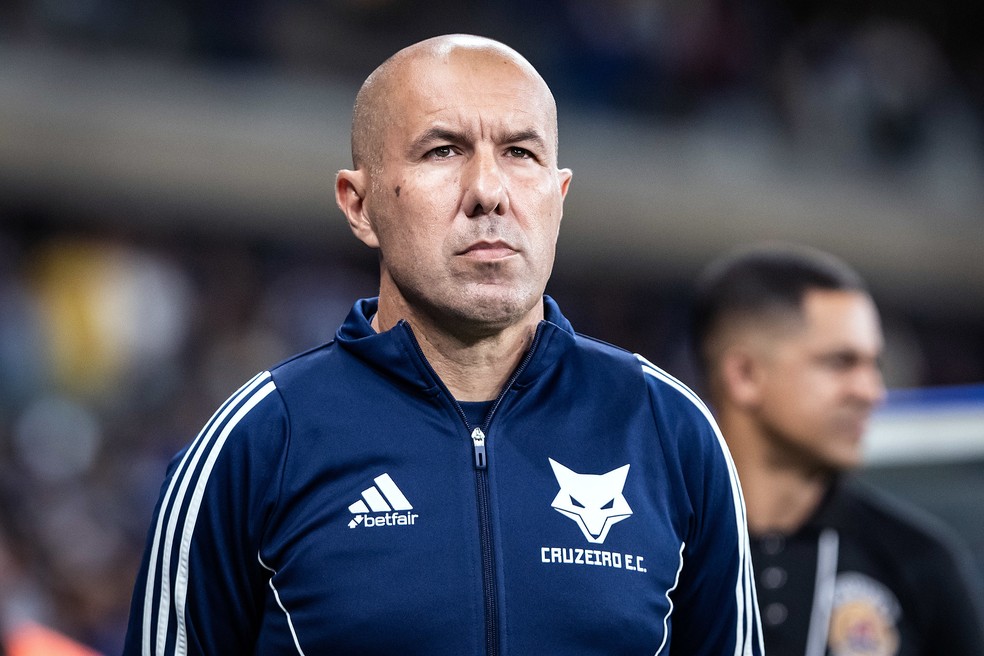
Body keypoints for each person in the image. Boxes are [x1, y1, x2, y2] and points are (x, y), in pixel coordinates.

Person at [123, 34, 763, 655]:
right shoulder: (256, 444)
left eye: (519, 152)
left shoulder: (672, 434)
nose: (489, 191)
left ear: (558, 197)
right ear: (360, 205)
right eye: (443, 151)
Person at [690, 242, 984, 656]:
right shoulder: (651, 547)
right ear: (745, 375)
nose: (872, 392)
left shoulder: (920, 563)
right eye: (841, 362)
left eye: (873, 365)